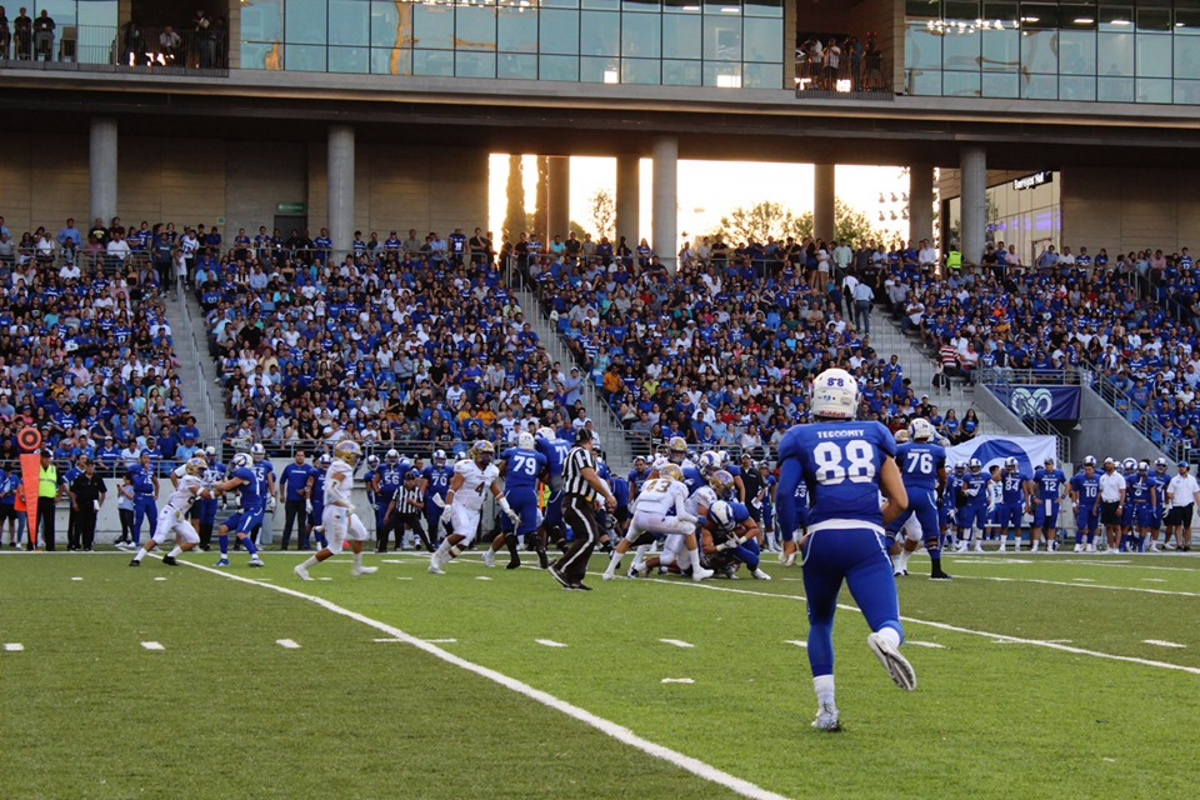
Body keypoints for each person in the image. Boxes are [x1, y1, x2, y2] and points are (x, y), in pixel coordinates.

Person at [776, 368, 914, 732]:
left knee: (820, 622)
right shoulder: (874, 434)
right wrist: (870, 521)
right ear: (852, 399)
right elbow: (900, 501)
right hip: (865, 536)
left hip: (820, 538)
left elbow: (784, 493)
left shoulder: (800, 436)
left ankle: (827, 710)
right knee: (889, 621)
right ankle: (884, 641)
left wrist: (790, 537)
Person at [601, 463, 713, 582]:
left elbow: (633, 508)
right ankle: (697, 571)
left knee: (627, 540)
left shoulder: (648, 483)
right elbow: (681, 515)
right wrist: (697, 519)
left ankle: (609, 572)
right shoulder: (679, 486)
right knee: (689, 528)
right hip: (657, 519)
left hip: (638, 517)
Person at [294, 441, 378, 580]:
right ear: (347, 455)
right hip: (337, 511)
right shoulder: (342, 467)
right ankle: (302, 567)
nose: (356, 459)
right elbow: (331, 489)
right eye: (354, 456)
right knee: (334, 548)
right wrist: (345, 503)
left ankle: (357, 568)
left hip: (341, 510)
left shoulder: (339, 466)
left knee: (361, 533)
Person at [549, 428, 616, 591]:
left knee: (588, 536)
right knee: (590, 536)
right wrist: (607, 495)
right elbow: (589, 476)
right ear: (591, 440)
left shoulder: (573, 453)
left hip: (580, 501)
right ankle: (561, 567)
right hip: (575, 501)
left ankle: (574, 579)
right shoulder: (582, 453)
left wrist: (593, 498)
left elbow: (583, 479)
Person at [428, 441, 506, 575]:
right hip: (460, 504)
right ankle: (436, 556)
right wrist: (448, 506)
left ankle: (439, 563)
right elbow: (452, 490)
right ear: (476, 453)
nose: (487, 457)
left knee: (465, 543)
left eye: (489, 454)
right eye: (485, 453)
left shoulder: (492, 470)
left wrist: (507, 509)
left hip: (475, 510)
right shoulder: (465, 467)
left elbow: (497, 492)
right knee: (462, 531)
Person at [889, 419, 950, 579]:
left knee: (890, 530)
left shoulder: (902, 449)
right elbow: (943, 477)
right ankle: (936, 569)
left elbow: (896, 472)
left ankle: (876, 565)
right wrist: (941, 493)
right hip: (926, 493)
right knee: (931, 532)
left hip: (906, 492)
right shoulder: (937, 451)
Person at [130, 458, 218, 566]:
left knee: (194, 539)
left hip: (179, 516)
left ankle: (170, 556)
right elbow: (207, 495)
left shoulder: (193, 480)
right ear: (192, 469)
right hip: (170, 512)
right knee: (159, 538)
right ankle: (136, 559)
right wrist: (222, 489)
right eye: (200, 469)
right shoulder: (189, 479)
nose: (202, 472)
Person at [485, 431, 544, 570]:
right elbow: (541, 472)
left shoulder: (511, 452)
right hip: (530, 493)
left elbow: (500, 471)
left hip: (512, 491)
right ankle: (542, 556)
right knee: (531, 528)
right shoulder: (539, 456)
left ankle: (514, 558)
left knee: (507, 529)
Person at [211, 453, 266, 567]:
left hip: (253, 508)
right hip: (245, 508)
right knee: (223, 528)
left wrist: (211, 483)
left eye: (235, 463)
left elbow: (226, 487)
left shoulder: (244, 472)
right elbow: (232, 488)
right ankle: (224, 559)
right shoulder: (244, 475)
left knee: (241, 533)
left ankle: (255, 558)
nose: (232, 466)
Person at [278, 449, 315, 550]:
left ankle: (301, 545)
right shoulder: (289, 468)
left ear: (304, 457)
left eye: (302, 455)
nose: (300, 457)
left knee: (302, 524)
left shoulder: (309, 469)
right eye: (298, 455)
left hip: (302, 500)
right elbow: (282, 482)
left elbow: (312, 484)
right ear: (295, 456)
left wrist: (304, 490)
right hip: (291, 500)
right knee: (289, 523)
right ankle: (284, 545)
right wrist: (282, 495)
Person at [1028, 456, 1067, 553]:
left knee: (1052, 525)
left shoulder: (1059, 473)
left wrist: (1062, 497)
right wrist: (1034, 497)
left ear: (1053, 464)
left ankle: (1050, 546)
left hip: (1053, 501)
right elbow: (1031, 484)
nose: (1047, 466)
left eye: (1049, 464)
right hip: (1043, 500)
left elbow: (1067, 485)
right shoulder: (1040, 473)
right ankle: (1035, 546)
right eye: (1046, 464)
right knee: (1038, 523)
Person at [69, 458, 106, 551]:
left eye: (92, 466)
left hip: (92, 504)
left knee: (90, 525)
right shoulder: (80, 478)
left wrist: (99, 505)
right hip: (81, 503)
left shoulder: (97, 478)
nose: (90, 468)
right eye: (88, 466)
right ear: (85, 467)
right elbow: (72, 491)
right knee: (78, 525)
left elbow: (103, 492)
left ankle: (88, 545)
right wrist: (74, 502)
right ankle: (76, 545)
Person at [34, 449, 67, 551]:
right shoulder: (35, 469)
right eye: (45, 458)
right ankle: (32, 544)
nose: (47, 460)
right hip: (37, 499)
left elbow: (62, 485)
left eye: (48, 458)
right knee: (34, 523)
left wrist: (58, 496)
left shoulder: (53, 469)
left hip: (49, 499)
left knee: (49, 524)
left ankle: (50, 546)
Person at [1164, 461, 1199, 552]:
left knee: (1187, 526)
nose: (1181, 468)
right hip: (1177, 504)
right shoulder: (1174, 480)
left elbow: (1196, 493)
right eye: (1180, 467)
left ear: (1187, 468)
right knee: (1178, 525)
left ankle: (1187, 544)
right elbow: (1169, 492)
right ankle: (1179, 544)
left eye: (1183, 467)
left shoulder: (1192, 479)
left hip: (1188, 504)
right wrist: (1170, 496)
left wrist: (1199, 506)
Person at [1068, 456, 1100, 553]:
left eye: (1089, 469)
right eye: (1086, 469)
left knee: (1092, 526)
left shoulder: (1099, 478)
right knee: (1081, 525)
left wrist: (1097, 505)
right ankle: (1078, 544)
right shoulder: (1079, 478)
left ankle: (1089, 545)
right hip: (1084, 504)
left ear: (1093, 470)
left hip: (1094, 504)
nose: (1087, 471)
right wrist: (1074, 504)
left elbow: (1100, 493)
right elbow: (1074, 491)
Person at [1097, 457, 1126, 554]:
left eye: (1109, 463)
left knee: (1116, 526)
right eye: (1106, 464)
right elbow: (1101, 491)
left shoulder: (1119, 477)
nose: (1108, 465)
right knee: (1108, 526)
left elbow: (1122, 493)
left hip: (1115, 502)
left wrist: (1120, 506)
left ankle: (1117, 547)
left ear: (1113, 465)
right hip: (1105, 502)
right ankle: (1111, 546)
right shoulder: (1102, 477)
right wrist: (1097, 504)